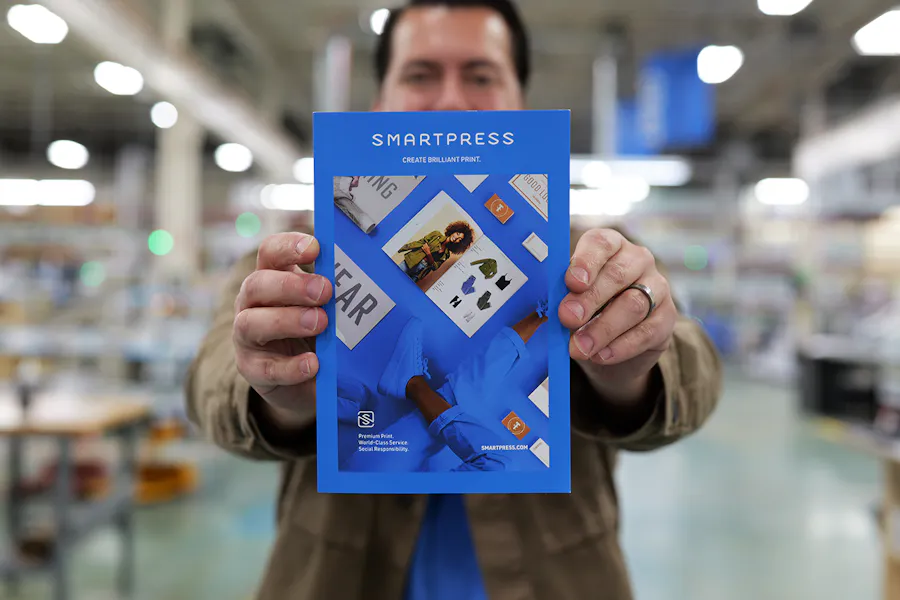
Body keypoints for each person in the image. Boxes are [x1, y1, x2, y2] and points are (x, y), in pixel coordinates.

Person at [184, 1, 724, 599]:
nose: (449, 101)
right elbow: (210, 377)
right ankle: (410, 386)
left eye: (481, 75)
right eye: (420, 75)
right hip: (337, 575)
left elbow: (692, 368)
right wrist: (278, 393)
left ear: (520, 102)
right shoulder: (300, 260)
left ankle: (411, 385)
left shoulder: (590, 258)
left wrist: (633, 371)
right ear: (379, 105)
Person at [339, 305, 548, 473]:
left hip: (375, 493)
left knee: (500, 465)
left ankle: (413, 384)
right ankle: (410, 383)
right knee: (459, 401)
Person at [397, 221, 475, 282]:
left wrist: (428, 253)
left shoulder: (446, 254)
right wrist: (402, 248)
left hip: (420, 273)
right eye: (457, 234)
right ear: (453, 231)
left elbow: (434, 267)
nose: (456, 238)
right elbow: (420, 243)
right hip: (411, 262)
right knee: (394, 276)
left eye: (460, 239)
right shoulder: (436, 234)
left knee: (403, 289)